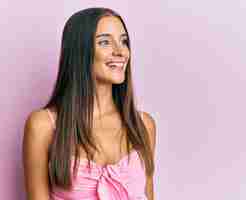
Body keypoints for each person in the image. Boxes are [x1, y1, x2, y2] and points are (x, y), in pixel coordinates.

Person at [22, 7, 156, 200]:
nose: (121, 52)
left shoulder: (144, 125)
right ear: (79, 51)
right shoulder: (43, 125)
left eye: (124, 41)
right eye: (104, 42)